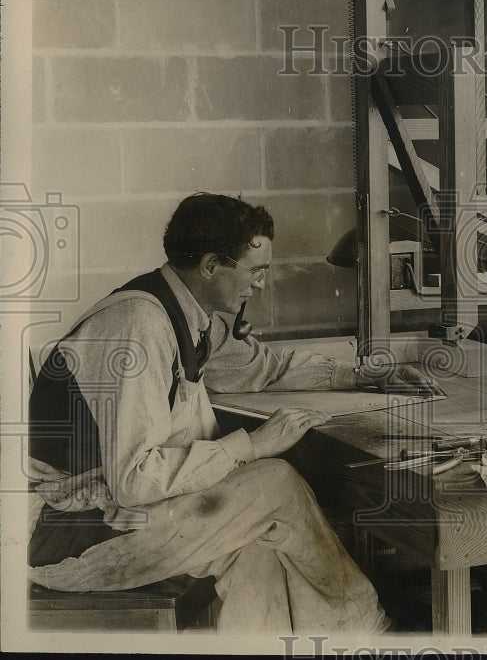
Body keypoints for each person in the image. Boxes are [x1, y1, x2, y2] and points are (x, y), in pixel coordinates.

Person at [26, 193, 443, 633]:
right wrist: (251, 445)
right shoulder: (138, 327)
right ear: (210, 265)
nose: (260, 285)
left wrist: (370, 374)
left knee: (261, 548)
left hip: (126, 517)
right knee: (275, 482)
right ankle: (367, 630)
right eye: (256, 271)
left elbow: (264, 368)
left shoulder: (188, 315)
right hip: (69, 536)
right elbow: (135, 480)